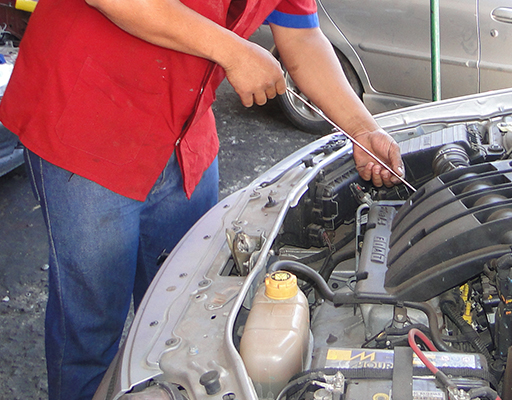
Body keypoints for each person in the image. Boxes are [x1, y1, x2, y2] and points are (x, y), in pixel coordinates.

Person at [0, 0, 405, 398]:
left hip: (184, 136)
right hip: (88, 121)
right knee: (91, 324)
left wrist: (363, 130)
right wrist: (235, 51)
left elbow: (301, 36)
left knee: (183, 314)